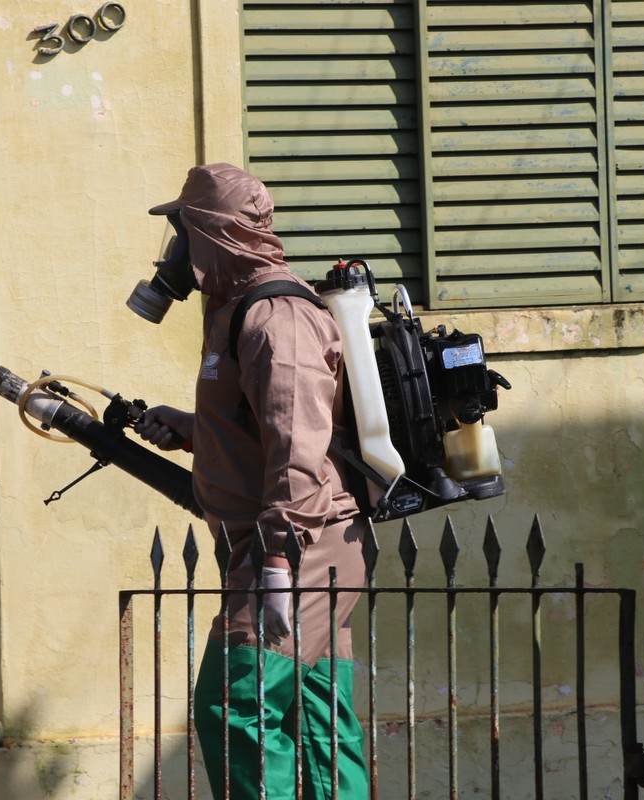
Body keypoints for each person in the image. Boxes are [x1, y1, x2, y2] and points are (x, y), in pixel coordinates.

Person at [131, 163, 369, 799]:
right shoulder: (236, 309)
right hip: (289, 547)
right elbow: (260, 424)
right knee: (317, 718)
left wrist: (274, 563)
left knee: (234, 709)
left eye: (182, 234)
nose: (176, 252)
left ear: (212, 234)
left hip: (298, 548)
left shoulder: (278, 315)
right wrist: (191, 427)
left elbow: (298, 447)